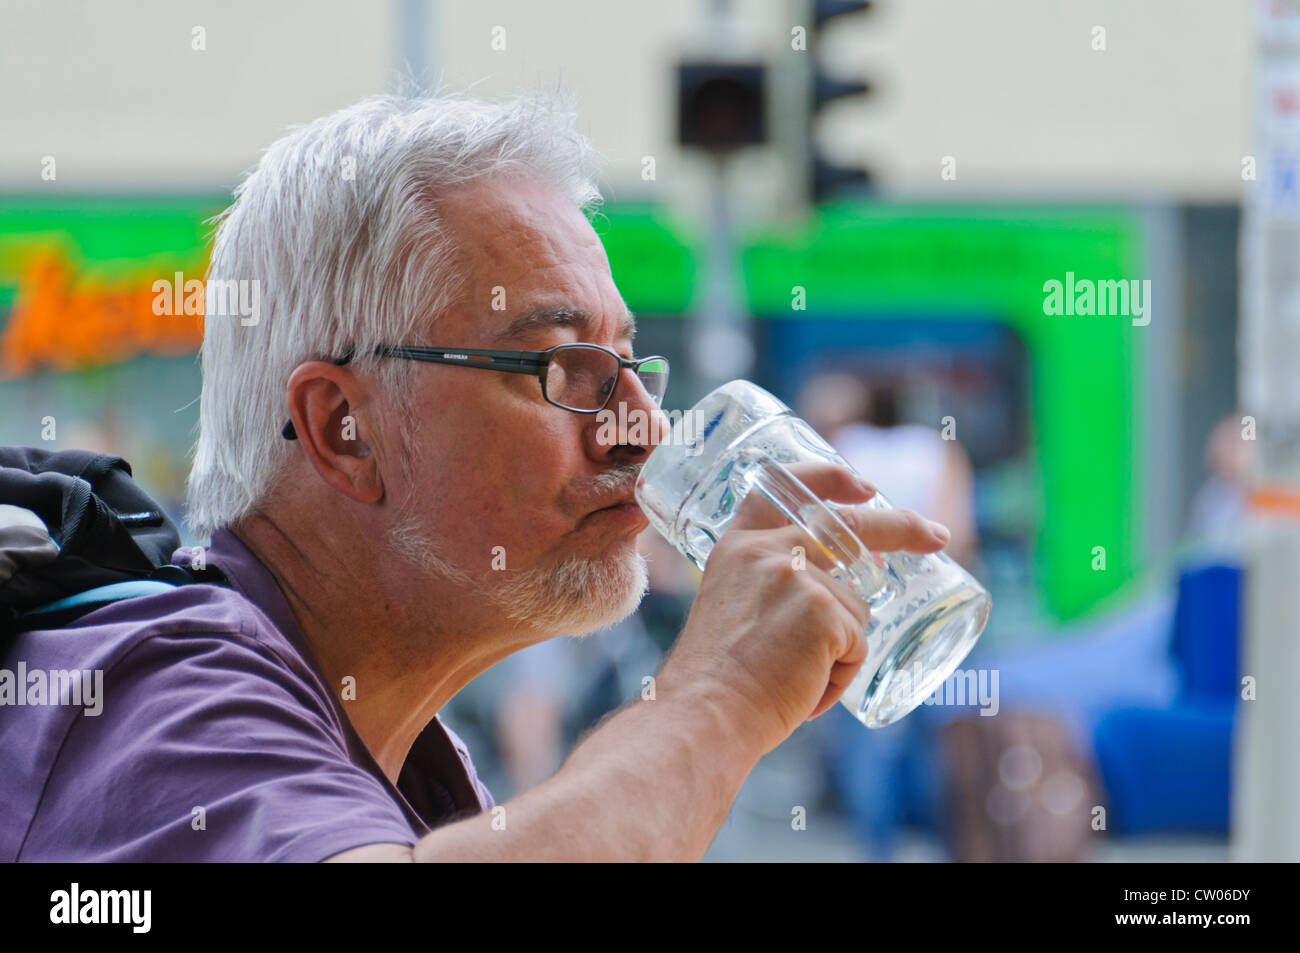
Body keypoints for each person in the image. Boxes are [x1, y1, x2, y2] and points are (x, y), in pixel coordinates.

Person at [0, 89, 949, 862]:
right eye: (561, 368)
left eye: (630, 363)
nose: (643, 429)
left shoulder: (401, 752)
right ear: (343, 428)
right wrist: (723, 697)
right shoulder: (159, 688)